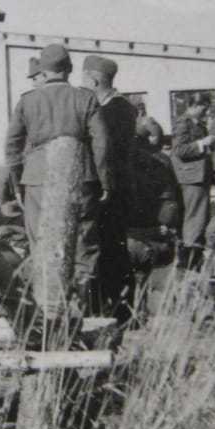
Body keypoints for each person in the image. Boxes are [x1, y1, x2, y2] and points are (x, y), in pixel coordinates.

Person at [4, 44, 110, 306]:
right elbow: (102, 144)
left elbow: (12, 146)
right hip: (81, 176)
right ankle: (77, 306)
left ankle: (46, 307)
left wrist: (18, 182)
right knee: (83, 242)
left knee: (40, 241)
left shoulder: (27, 101)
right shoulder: (85, 98)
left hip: (38, 178)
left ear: (42, 70)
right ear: (70, 69)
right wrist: (105, 180)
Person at [80, 55, 136, 311]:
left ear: (94, 79)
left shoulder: (115, 109)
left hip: (111, 189)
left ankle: (117, 306)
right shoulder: (119, 106)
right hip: (115, 186)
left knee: (110, 248)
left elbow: (105, 150)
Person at [171, 94, 215, 259]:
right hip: (192, 178)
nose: (206, 111)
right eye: (204, 107)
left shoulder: (196, 123)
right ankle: (190, 257)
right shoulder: (184, 122)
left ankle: (194, 254)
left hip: (198, 176)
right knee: (195, 217)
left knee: (199, 217)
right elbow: (180, 150)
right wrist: (203, 143)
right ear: (195, 105)